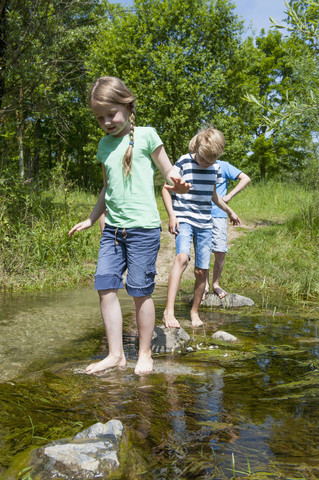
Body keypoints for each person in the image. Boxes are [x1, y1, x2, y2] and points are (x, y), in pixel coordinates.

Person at [68, 76, 191, 375]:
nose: (107, 122)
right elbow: (106, 188)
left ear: (127, 105)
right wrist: (92, 218)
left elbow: (168, 169)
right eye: (100, 118)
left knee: (139, 291)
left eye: (111, 114)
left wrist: (178, 182)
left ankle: (145, 354)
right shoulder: (104, 145)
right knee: (105, 287)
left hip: (143, 230)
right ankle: (116, 355)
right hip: (112, 229)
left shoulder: (147, 135)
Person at [162, 127, 241, 329]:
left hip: (205, 223)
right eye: (204, 159)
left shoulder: (216, 168)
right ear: (196, 147)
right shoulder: (184, 161)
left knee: (201, 271)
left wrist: (229, 211)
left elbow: (213, 195)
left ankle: (194, 312)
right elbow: (165, 188)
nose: (206, 164)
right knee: (182, 258)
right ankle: (168, 311)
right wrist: (172, 215)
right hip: (184, 218)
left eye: (211, 161)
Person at [202, 159, 251, 300]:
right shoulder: (198, 162)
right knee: (203, 251)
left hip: (218, 214)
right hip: (200, 214)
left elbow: (245, 178)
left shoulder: (223, 165)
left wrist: (229, 196)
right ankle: (204, 285)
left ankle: (215, 284)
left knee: (220, 250)